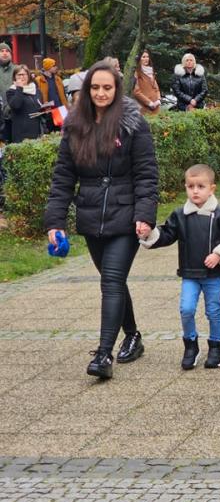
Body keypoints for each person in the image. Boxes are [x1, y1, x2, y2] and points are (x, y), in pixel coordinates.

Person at [44, 61, 159, 379]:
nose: (101, 93)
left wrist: (145, 215)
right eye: (95, 87)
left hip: (126, 217)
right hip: (92, 216)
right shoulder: (75, 125)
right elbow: (63, 178)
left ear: (116, 89)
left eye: (107, 87)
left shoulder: (133, 123)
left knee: (109, 282)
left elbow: (147, 174)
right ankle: (133, 335)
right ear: (86, 90)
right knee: (115, 281)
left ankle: (104, 355)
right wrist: (55, 222)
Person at [140, 164, 220, 369]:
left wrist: (219, 253)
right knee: (186, 309)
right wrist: (149, 234)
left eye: (200, 186)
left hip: (213, 275)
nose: (195, 191)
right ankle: (190, 345)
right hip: (189, 273)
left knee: (213, 311)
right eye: (190, 186)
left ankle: (215, 347)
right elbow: (167, 234)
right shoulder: (180, 215)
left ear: (211, 188)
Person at [5, 65, 44, 143]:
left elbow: (38, 107)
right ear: (14, 77)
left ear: (28, 76)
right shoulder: (11, 91)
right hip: (21, 133)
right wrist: (19, 88)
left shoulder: (36, 90)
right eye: (19, 75)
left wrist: (45, 110)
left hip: (36, 130)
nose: (22, 77)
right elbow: (16, 105)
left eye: (24, 74)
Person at [132, 50, 161, 115]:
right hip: (145, 107)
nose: (146, 59)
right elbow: (136, 92)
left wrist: (158, 99)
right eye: (143, 57)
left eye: (147, 57)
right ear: (139, 59)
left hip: (156, 106)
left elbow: (156, 89)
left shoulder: (151, 72)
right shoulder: (137, 73)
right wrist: (149, 103)